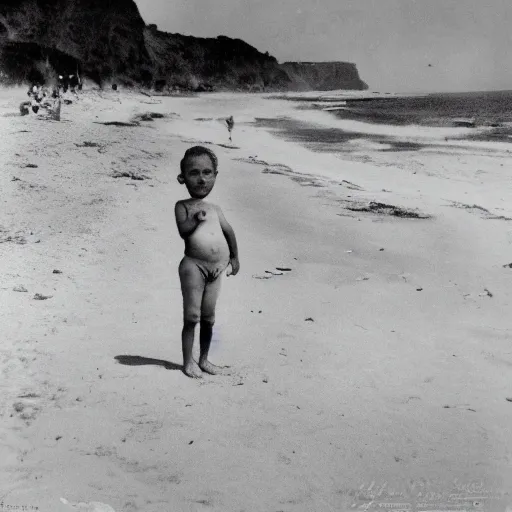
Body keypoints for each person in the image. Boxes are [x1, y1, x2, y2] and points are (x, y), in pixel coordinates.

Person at [174, 146, 240, 378]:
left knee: (208, 318)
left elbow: (229, 231)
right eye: (194, 173)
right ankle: (187, 362)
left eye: (207, 172)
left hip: (216, 268)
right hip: (193, 266)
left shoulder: (215, 208)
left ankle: (204, 359)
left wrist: (234, 257)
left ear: (215, 176)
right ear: (182, 178)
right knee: (192, 317)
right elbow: (184, 232)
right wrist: (195, 220)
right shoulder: (183, 206)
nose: (201, 178)